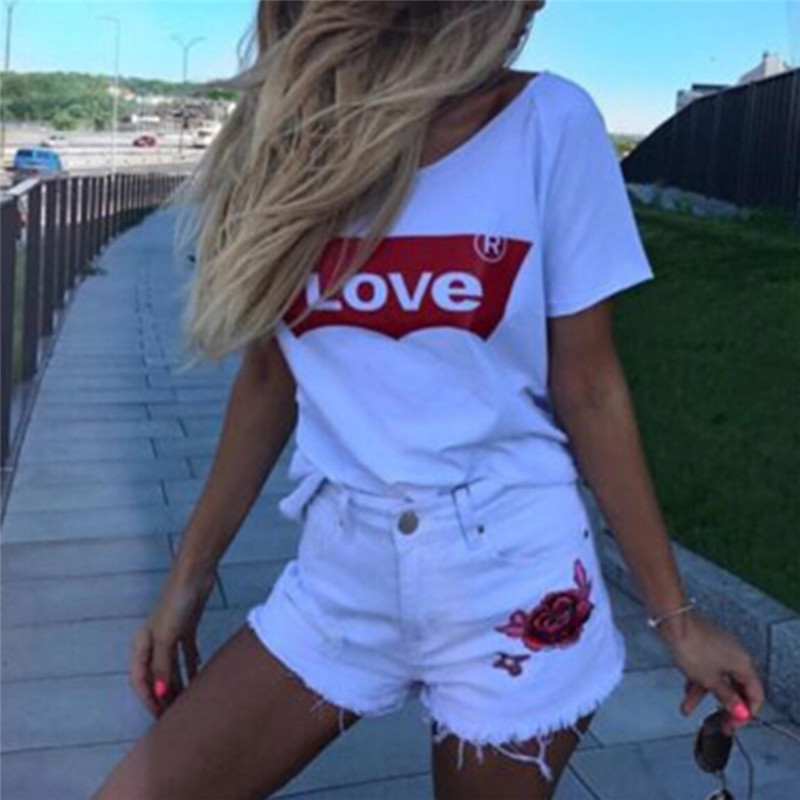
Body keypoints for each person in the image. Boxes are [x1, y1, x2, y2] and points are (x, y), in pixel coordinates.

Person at [91, 2, 765, 799]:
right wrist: (188, 580)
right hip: (340, 580)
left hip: (516, 574)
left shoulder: (550, 123)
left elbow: (588, 385)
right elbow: (269, 381)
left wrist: (675, 619)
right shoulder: (291, 140)